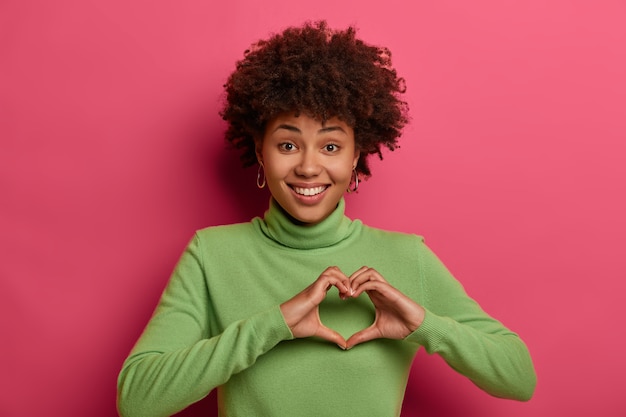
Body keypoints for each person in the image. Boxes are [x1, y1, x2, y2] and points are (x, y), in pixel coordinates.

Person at [117, 21, 536, 417]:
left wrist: (424, 325)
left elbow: (519, 377)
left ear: (356, 155)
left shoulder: (407, 257)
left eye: (331, 147)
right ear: (260, 150)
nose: (308, 167)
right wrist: (272, 325)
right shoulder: (212, 254)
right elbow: (136, 399)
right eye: (287, 145)